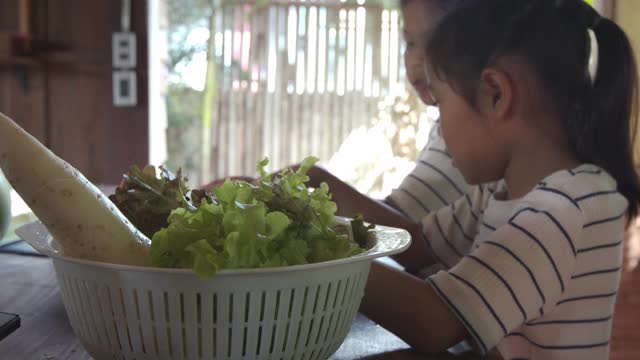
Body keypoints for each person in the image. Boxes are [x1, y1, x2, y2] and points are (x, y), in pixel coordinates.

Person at [360, 0, 640, 359]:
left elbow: (432, 320)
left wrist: (329, 262)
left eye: (441, 104)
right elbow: (414, 243)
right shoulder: (500, 191)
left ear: (496, 94)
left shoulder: (567, 206)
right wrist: (324, 224)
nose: (440, 131)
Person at [203, 0, 474, 275]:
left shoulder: (470, 140)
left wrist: (314, 187)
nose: (415, 60)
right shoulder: (444, 129)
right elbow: (401, 218)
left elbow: (416, 246)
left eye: (433, 42)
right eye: (410, 43)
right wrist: (293, 203)